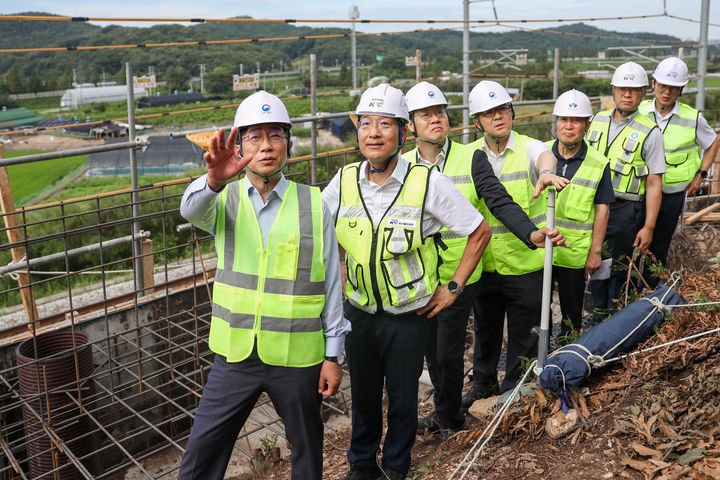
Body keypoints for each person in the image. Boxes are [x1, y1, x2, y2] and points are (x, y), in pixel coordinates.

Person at [177, 91, 350, 480]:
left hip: (297, 357)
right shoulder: (224, 198)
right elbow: (189, 209)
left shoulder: (313, 203)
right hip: (236, 355)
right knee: (202, 453)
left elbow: (330, 283)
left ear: (288, 144)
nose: (266, 146)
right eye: (254, 137)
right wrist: (212, 180)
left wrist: (333, 355)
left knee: (307, 449)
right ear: (240, 147)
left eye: (275, 135)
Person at [322, 84, 491, 480]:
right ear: (358, 131)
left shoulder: (426, 181)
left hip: (409, 316)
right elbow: (313, 230)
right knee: (362, 399)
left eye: (385, 124)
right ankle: (361, 468)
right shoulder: (343, 181)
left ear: (402, 131)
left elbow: (478, 231)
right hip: (359, 314)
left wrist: (454, 287)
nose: (374, 133)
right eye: (366, 124)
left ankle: (396, 467)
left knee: (402, 401)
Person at [402, 81, 566, 438]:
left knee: (448, 352)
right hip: (419, 278)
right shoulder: (401, 167)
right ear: (410, 125)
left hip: (461, 273)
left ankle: (458, 417)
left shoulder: (470, 157)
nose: (436, 120)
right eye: (425, 115)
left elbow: (499, 200)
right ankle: (453, 407)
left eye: (440, 112)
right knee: (433, 352)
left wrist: (531, 233)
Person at [461, 80, 570, 406]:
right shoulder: (468, 156)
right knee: (486, 331)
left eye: (503, 109)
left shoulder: (528, 147)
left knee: (525, 334)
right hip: (486, 263)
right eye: (489, 113)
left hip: (525, 262)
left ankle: (515, 390)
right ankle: (483, 383)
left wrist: (548, 172)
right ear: (477, 121)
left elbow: (546, 156)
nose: (498, 117)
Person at [585, 62, 666, 322]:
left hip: (625, 208)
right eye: (622, 89)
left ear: (644, 93)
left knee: (620, 265)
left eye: (634, 90)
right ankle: (599, 313)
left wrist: (649, 227)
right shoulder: (596, 120)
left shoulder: (650, 132)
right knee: (595, 260)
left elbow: (654, 183)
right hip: (594, 204)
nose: (627, 95)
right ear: (613, 91)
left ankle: (618, 316)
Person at [638, 57, 719, 285]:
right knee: (633, 242)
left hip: (672, 193)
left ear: (681, 89)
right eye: (663, 85)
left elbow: (713, 142)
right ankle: (630, 288)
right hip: (639, 192)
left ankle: (651, 291)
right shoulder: (639, 112)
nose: (667, 92)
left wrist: (701, 175)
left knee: (659, 246)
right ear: (653, 84)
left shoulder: (692, 118)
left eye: (673, 88)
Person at [547, 89, 614, 340]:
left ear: (586, 125)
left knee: (571, 314)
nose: (568, 126)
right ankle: (534, 359)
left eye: (575, 121)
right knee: (535, 310)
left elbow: (603, 209)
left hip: (574, 254)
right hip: (538, 250)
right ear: (556, 122)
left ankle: (565, 357)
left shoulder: (598, 163)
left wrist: (595, 251)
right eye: (563, 120)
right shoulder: (540, 153)